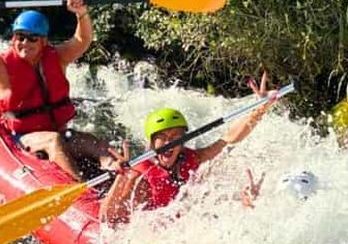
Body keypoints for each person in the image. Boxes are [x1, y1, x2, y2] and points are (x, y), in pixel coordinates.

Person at [0, 0, 114, 180]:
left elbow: (83, 39)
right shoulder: (1, 66)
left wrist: (81, 13)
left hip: (60, 132)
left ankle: (117, 168)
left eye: (32, 38)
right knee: (53, 141)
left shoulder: (58, 57)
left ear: (44, 41)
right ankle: (81, 189)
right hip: (24, 138)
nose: (25, 43)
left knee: (90, 142)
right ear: (13, 38)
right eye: (20, 37)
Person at [101, 72, 277, 225]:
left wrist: (259, 110)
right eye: (162, 137)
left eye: (175, 137)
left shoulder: (192, 159)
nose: (169, 141)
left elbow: (228, 139)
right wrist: (120, 178)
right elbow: (107, 218)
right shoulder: (140, 175)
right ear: (152, 142)